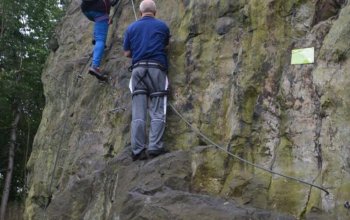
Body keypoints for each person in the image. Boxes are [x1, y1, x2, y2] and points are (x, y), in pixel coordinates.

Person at [123, 0, 170, 161]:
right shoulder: (163, 26)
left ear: (141, 11)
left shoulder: (131, 28)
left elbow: (127, 53)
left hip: (138, 70)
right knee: (158, 108)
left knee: (138, 112)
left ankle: (137, 150)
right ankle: (155, 147)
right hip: (157, 69)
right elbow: (165, 45)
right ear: (155, 12)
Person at [81, 0, 118, 81]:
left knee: (100, 21)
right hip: (98, 9)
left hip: (87, 9)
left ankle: (96, 37)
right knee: (101, 40)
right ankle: (95, 66)